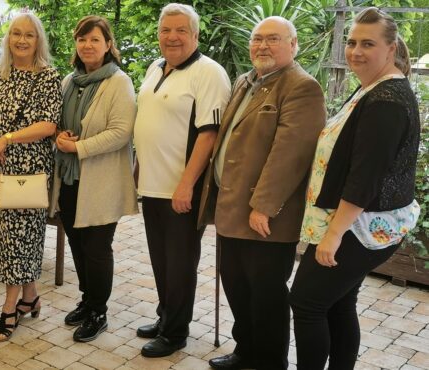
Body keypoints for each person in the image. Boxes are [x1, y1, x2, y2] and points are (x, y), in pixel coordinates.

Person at [289, 8, 420, 370]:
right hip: (358, 223)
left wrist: (332, 235)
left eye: (368, 43)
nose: (355, 51)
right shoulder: (375, 88)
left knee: (306, 302)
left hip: (357, 227)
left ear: (391, 49)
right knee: (338, 301)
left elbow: (365, 178)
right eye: (351, 42)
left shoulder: (386, 102)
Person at [198, 16, 326, 370]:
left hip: (265, 216)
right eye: (257, 39)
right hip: (231, 207)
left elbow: (291, 155)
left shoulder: (301, 86)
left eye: (273, 39)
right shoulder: (246, 81)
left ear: (293, 45)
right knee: (238, 287)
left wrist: (264, 208)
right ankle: (246, 351)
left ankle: (269, 361)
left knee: (266, 293)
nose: (263, 46)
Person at [133, 3, 231, 358]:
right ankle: (165, 316)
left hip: (181, 189)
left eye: (180, 30)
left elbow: (210, 133)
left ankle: (175, 332)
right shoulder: (155, 67)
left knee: (179, 262)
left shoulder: (209, 72)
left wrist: (186, 184)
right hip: (153, 185)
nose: (171, 37)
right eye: (165, 30)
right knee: (161, 259)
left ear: (195, 35)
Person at [51, 15, 138, 343]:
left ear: (108, 45)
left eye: (95, 39)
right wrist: (62, 136)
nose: (87, 45)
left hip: (100, 182)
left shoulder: (118, 82)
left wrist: (79, 146)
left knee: (98, 248)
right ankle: (87, 301)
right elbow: (58, 123)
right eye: (82, 39)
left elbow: (120, 132)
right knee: (76, 242)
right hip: (71, 180)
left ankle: (99, 312)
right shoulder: (69, 82)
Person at [0, 13, 61, 342]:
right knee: (5, 237)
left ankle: (9, 309)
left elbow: (48, 125)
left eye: (29, 35)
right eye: (16, 33)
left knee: (19, 239)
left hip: (28, 171)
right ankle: (31, 298)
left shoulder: (48, 76)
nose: (22, 40)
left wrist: (5, 140)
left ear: (38, 40)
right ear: (8, 38)